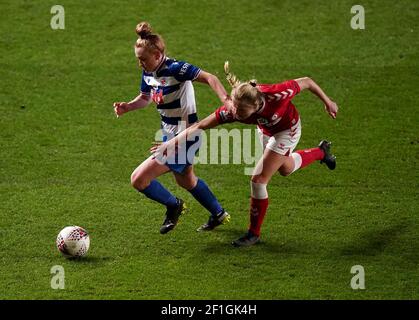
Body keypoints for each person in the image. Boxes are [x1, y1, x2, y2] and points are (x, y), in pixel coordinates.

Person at [155, 61, 339, 246]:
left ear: (256, 104)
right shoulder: (233, 110)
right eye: (234, 107)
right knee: (286, 168)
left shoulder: (277, 94)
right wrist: (170, 144)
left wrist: (328, 102)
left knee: (258, 180)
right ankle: (321, 152)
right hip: (266, 130)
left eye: (241, 110)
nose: (235, 112)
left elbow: (307, 81)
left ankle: (253, 233)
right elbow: (200, 125)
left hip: (287, 130)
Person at [113, 22, 232, 234]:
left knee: (139, 179)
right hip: (169, 134)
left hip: (186, 135)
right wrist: (128, 107)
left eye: (143, 59)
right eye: (138, 59)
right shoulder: (149, 71)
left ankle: (174, 205)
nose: (140, 64)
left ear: (158, 55)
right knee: (187, 180)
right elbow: (145, 97)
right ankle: (219, 213)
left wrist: (226, 100)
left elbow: (210, 77)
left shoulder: (176, 69)